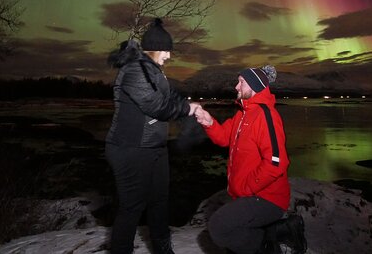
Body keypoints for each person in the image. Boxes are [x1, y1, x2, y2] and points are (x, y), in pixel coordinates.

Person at [105, 18, 201, 254]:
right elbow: (156, 105)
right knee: (132, 207)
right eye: (167, 51)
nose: (169, 56)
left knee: (160, 201)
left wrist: (193, 108)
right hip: (130, 148)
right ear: (155, 49)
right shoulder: (134, 70)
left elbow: (170, 99)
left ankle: (163, 249)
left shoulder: (153, 71)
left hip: (154, 147)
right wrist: (187, 109)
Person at [194, 65, 292, 254]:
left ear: (254, 86)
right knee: (234, 240)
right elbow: (224, 137)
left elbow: (276, 163)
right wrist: (209, 122)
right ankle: (266, 239)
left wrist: (247, 187)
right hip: (247, 195)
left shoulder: (266, 116)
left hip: (267, 198)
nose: (236, 87)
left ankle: (268, 243)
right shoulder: (243, 114)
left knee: (219, 226)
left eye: (241, 82)